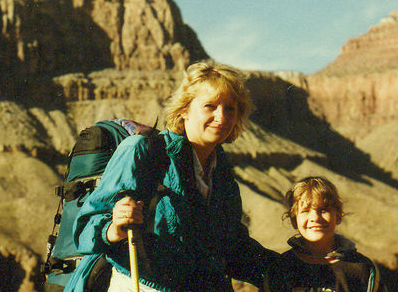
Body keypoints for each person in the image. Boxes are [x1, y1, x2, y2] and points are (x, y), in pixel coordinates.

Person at [66, 60, 276, 291]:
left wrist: (290, 267)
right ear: (185, 109)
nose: (222, 117)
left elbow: (232, 248)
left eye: (230, 108)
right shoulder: (142, 151)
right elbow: (84, 229)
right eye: (210, 106)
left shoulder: (222, 172)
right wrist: (115, 227)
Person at [263, 176, 386, 292]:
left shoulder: (362, 268)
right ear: (294, 220)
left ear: (338, 216)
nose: (315, 218)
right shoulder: (281, 268)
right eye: (305, 211)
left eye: (323, 210)